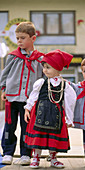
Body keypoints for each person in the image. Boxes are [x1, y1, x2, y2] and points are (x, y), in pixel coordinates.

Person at [0, 22, 44, 165]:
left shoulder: (40, 59)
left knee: (27, 128)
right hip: (11, 97)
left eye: (22, 38)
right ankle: (7, 153)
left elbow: (43, 78)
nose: (19, 41)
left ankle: (26, 154)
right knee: (9, 126)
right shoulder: (12, 56)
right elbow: (4, 75)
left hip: (29, 101)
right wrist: (3, 88)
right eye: (17, 38)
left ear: (33, 38)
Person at [24, 49, 76, 169]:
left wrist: (69, 118)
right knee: (38, 137)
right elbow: (33, 96)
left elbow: (70, 102)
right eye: (44, 67)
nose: (45, 70)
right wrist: (28, 109)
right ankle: (35, 158)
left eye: (48, 67)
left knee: (54, 138)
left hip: (56, 115)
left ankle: (53, 158)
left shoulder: (65, 85)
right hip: (39, 114)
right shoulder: (41, 82)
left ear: (57, 68)